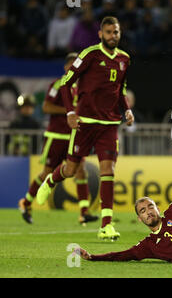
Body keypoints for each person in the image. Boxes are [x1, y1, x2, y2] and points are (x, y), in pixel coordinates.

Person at [36, 16, 135, 241]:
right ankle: (50, 181)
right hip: (85, 123)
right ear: (101, 34)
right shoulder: (90, 54)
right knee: (70, 170)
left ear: (120, 34)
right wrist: (70, 112)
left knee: (108, 171)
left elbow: (120, 89)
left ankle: (106, 225)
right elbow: (66, 83)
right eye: (109, 32)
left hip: (109, 125)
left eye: (116, 32)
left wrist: (126, 110)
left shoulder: (124, 59)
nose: (113, 36)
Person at [18, 53, 98, 225]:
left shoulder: (83, 86)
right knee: (47, 172)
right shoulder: (58, 84)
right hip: (56, 136)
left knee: (81, 170)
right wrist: (70, 111)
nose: (73, 67)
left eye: (76, 64)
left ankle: (84, 212)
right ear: (65, 67)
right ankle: (26, 203)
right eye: (71, 64)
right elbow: (46, 106)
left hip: (75, 136)